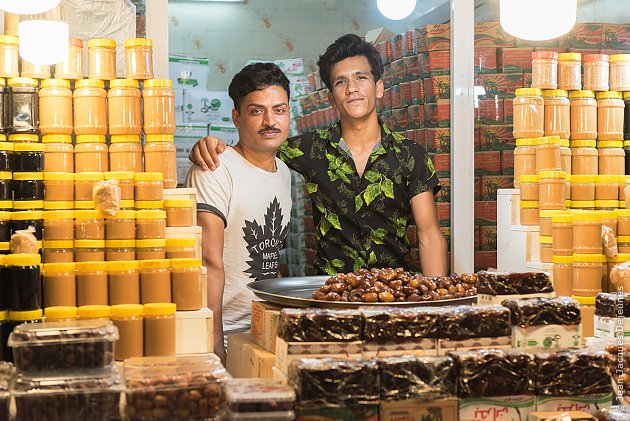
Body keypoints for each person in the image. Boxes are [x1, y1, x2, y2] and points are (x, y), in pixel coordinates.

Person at [189, 34, 448, 277]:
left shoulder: (410, 155)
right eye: (340, 82)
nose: (352, 89)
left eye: (361, 78)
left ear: (378, 87)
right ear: (331, 98)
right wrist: (209, 145)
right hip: (329, 298)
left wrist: (439, 305)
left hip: (395, 293)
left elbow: (429, 234)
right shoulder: (310, 149)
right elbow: (256, 144)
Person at [185, 62, 293, 362]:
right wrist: (213, 341)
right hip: (229, 336)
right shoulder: (215, 169)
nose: (270, 121)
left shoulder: (284, 172)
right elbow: (207, 262)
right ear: (237, 117)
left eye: (279, 110)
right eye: (257, 111)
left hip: (267, 331)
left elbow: (270, 256)